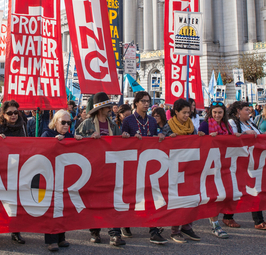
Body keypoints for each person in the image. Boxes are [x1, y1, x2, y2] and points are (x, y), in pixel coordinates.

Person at [76, 92, 125, 247]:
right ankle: (95, 231)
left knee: (112, 201)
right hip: (93, 168)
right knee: (94, 200)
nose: (110, 108)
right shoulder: (87, 124)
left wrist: (125, 137)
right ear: (100, 108)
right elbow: (76, 140)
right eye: (107, 106)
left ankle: (114, 234)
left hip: (110, 169)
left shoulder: (112, 125)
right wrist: (88, 139)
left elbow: (120, 143)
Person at [121, 91, 166, 244]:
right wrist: (129, 138)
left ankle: (153, 230)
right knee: (131, 195)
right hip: (132, 164)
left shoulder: (152, 121)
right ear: (136, 103)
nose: (146, 104)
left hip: (149, 164)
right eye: (143, 101)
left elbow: (154, 139)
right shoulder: (128, 120)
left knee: (151, 195)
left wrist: (159, 137)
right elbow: (121, 141)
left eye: (148, 101)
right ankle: (125, 224)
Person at [227, 101, 266, 230]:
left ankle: (229, 216)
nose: (249, 112)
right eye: (246, 110)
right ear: (238, 111)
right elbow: (231, 139)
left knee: (251, 189)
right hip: (241, 161)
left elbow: (257, 137)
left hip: (253, 160)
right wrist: (244, 135)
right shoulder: (232, 123)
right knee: (248, 189)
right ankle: (257, 220)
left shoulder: (250, 123)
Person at [41, 110, 81, 251]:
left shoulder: (70, 136)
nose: (66, 125)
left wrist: (80, 141)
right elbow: (40, 152)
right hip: (50, 177)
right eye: (63, 122)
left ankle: (61, 238)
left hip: (65, 178)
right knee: (52, 208)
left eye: (68, 122)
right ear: (55, 122)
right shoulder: (47, 134)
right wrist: (54, 143)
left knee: (63, 208)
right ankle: (51, 240)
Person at [164, 98, 203, 243]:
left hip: (189, 167)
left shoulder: (191, 126)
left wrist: (200, 138)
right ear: (176, 112)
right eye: (184, 112)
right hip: (174, 168)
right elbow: (161, 145)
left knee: (191, 197)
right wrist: (169, 138)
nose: (187, 115)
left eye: (189, 112)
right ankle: (175, 230)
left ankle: (187, 226)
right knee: (177, 199)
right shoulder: (169, 126)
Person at [0, 101, 26, 244]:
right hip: (1, 168)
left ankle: (15, 230)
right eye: (10, 113)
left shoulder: (22, 126)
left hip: (17, 168)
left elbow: (27, 144)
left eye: (15, 112)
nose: (13, 115)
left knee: (15, 200)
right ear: (3, 114)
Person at [198, 102, 232, 238]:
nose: (217, 115)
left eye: (220, 112)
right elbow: (199, 143)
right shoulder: (205, 125)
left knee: (222, 194)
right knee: (213, 194)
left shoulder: (227, 126)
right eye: (215, 112)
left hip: (224, 164)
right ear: (210, 113)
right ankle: (215, 224)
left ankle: (216, 220)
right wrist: (205, 138)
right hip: (209, 165)